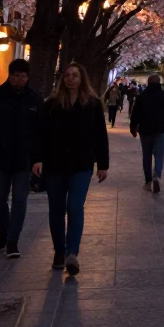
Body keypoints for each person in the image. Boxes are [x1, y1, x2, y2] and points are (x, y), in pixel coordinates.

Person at [33, 62, 109, 276]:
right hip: (55, 163)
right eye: (67, 75)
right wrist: (37, 159)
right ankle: (59, 249)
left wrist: (103, 164)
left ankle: (72, 253)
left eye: (75, 75)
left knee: (75, 206)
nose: (70, 79)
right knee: (56, 209)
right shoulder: (51, 104)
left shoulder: (92, 104)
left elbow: (100, 135)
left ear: (81, 79)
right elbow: (40, 134)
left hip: (81, 164)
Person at [0, 58, 42, 258]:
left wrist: (37, 158)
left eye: (23, 76)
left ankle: (13, 240)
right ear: (10, 75)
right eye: (15, 75)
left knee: (20, 200)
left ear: (27, 77)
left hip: (24, 160)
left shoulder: (35, 100)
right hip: (1, 158)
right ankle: (4, 230)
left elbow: (41, 132)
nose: (19, 79)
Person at [130, 73, 164, 193]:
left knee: (146, 155)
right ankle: (157, 176)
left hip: (145, 129)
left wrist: (133, 128)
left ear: (148, 83)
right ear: (159, 83)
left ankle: (148, 181)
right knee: (159, 154)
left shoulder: (141, 96)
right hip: (161, 129)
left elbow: (135, 113)